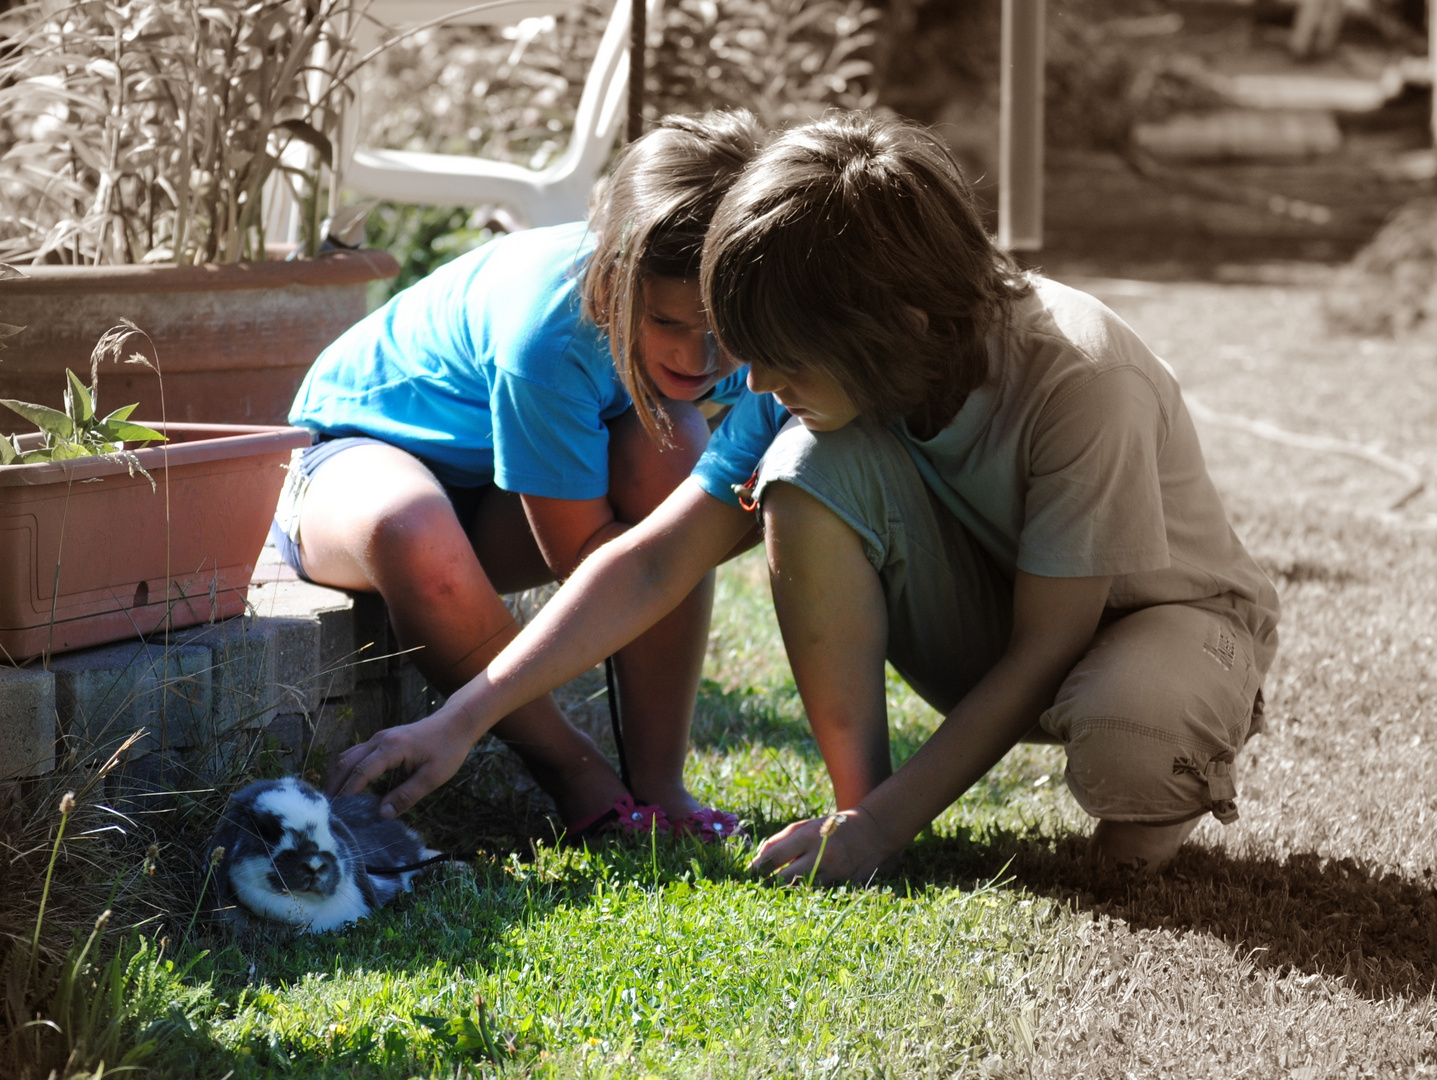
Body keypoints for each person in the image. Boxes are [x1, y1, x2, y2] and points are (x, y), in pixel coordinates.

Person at [328, 111, 1279, 879]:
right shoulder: (841, 382)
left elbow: (1048, 643)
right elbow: (657, 554)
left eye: (773, 358)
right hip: (997, 616)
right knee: (800, 472)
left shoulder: (1079, 378)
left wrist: (882, 829)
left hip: (1140, 619)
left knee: (1130, 755)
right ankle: (857, 807)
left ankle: (1118, 788)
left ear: (878, 322)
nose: (750, 381)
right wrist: (460, 719)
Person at [277, 110, 762, 837]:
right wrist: (714, 524)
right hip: (347, 462)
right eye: (667, 324)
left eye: (719, 332)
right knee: (408, 525)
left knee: (671, 440)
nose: (698, 359)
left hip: (492, 499)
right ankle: (573, 771)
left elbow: (678, 532)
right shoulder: (549, 331)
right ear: (614, 281)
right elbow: (595, 561)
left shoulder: (740, 324)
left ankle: (660, 782)